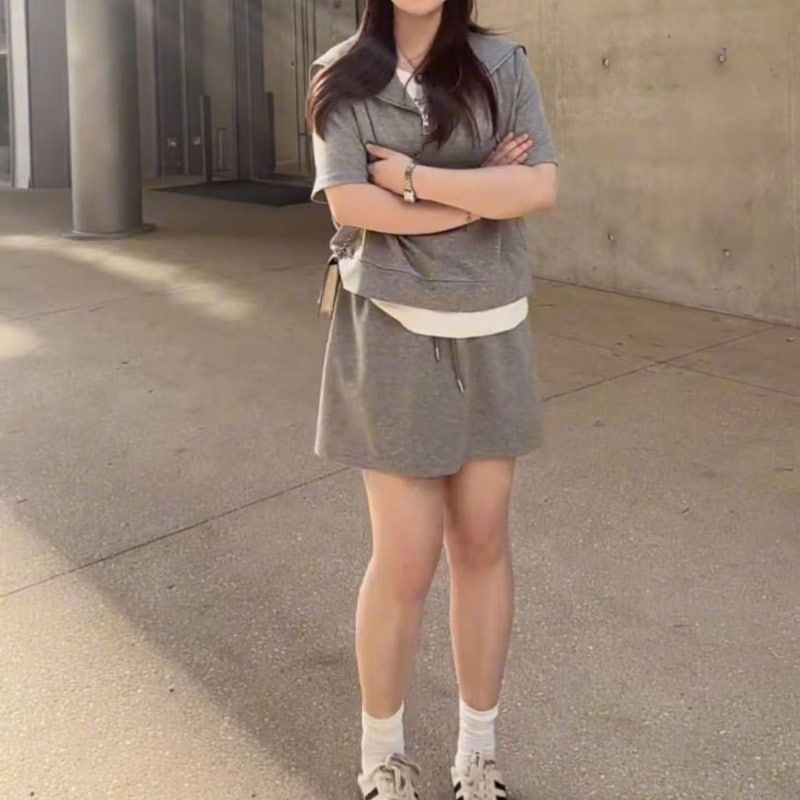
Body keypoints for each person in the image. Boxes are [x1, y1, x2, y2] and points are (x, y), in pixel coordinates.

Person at [307, 1, 558, 797]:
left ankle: (477, 752)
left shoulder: (502, 64)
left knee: (481, 542)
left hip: (493, 326)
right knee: (405, 557)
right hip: (390, 328)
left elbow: (539, 186)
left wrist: (413, 180)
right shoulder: (341, 76)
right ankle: (381, 755)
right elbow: (353, 205)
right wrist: (481, 195)